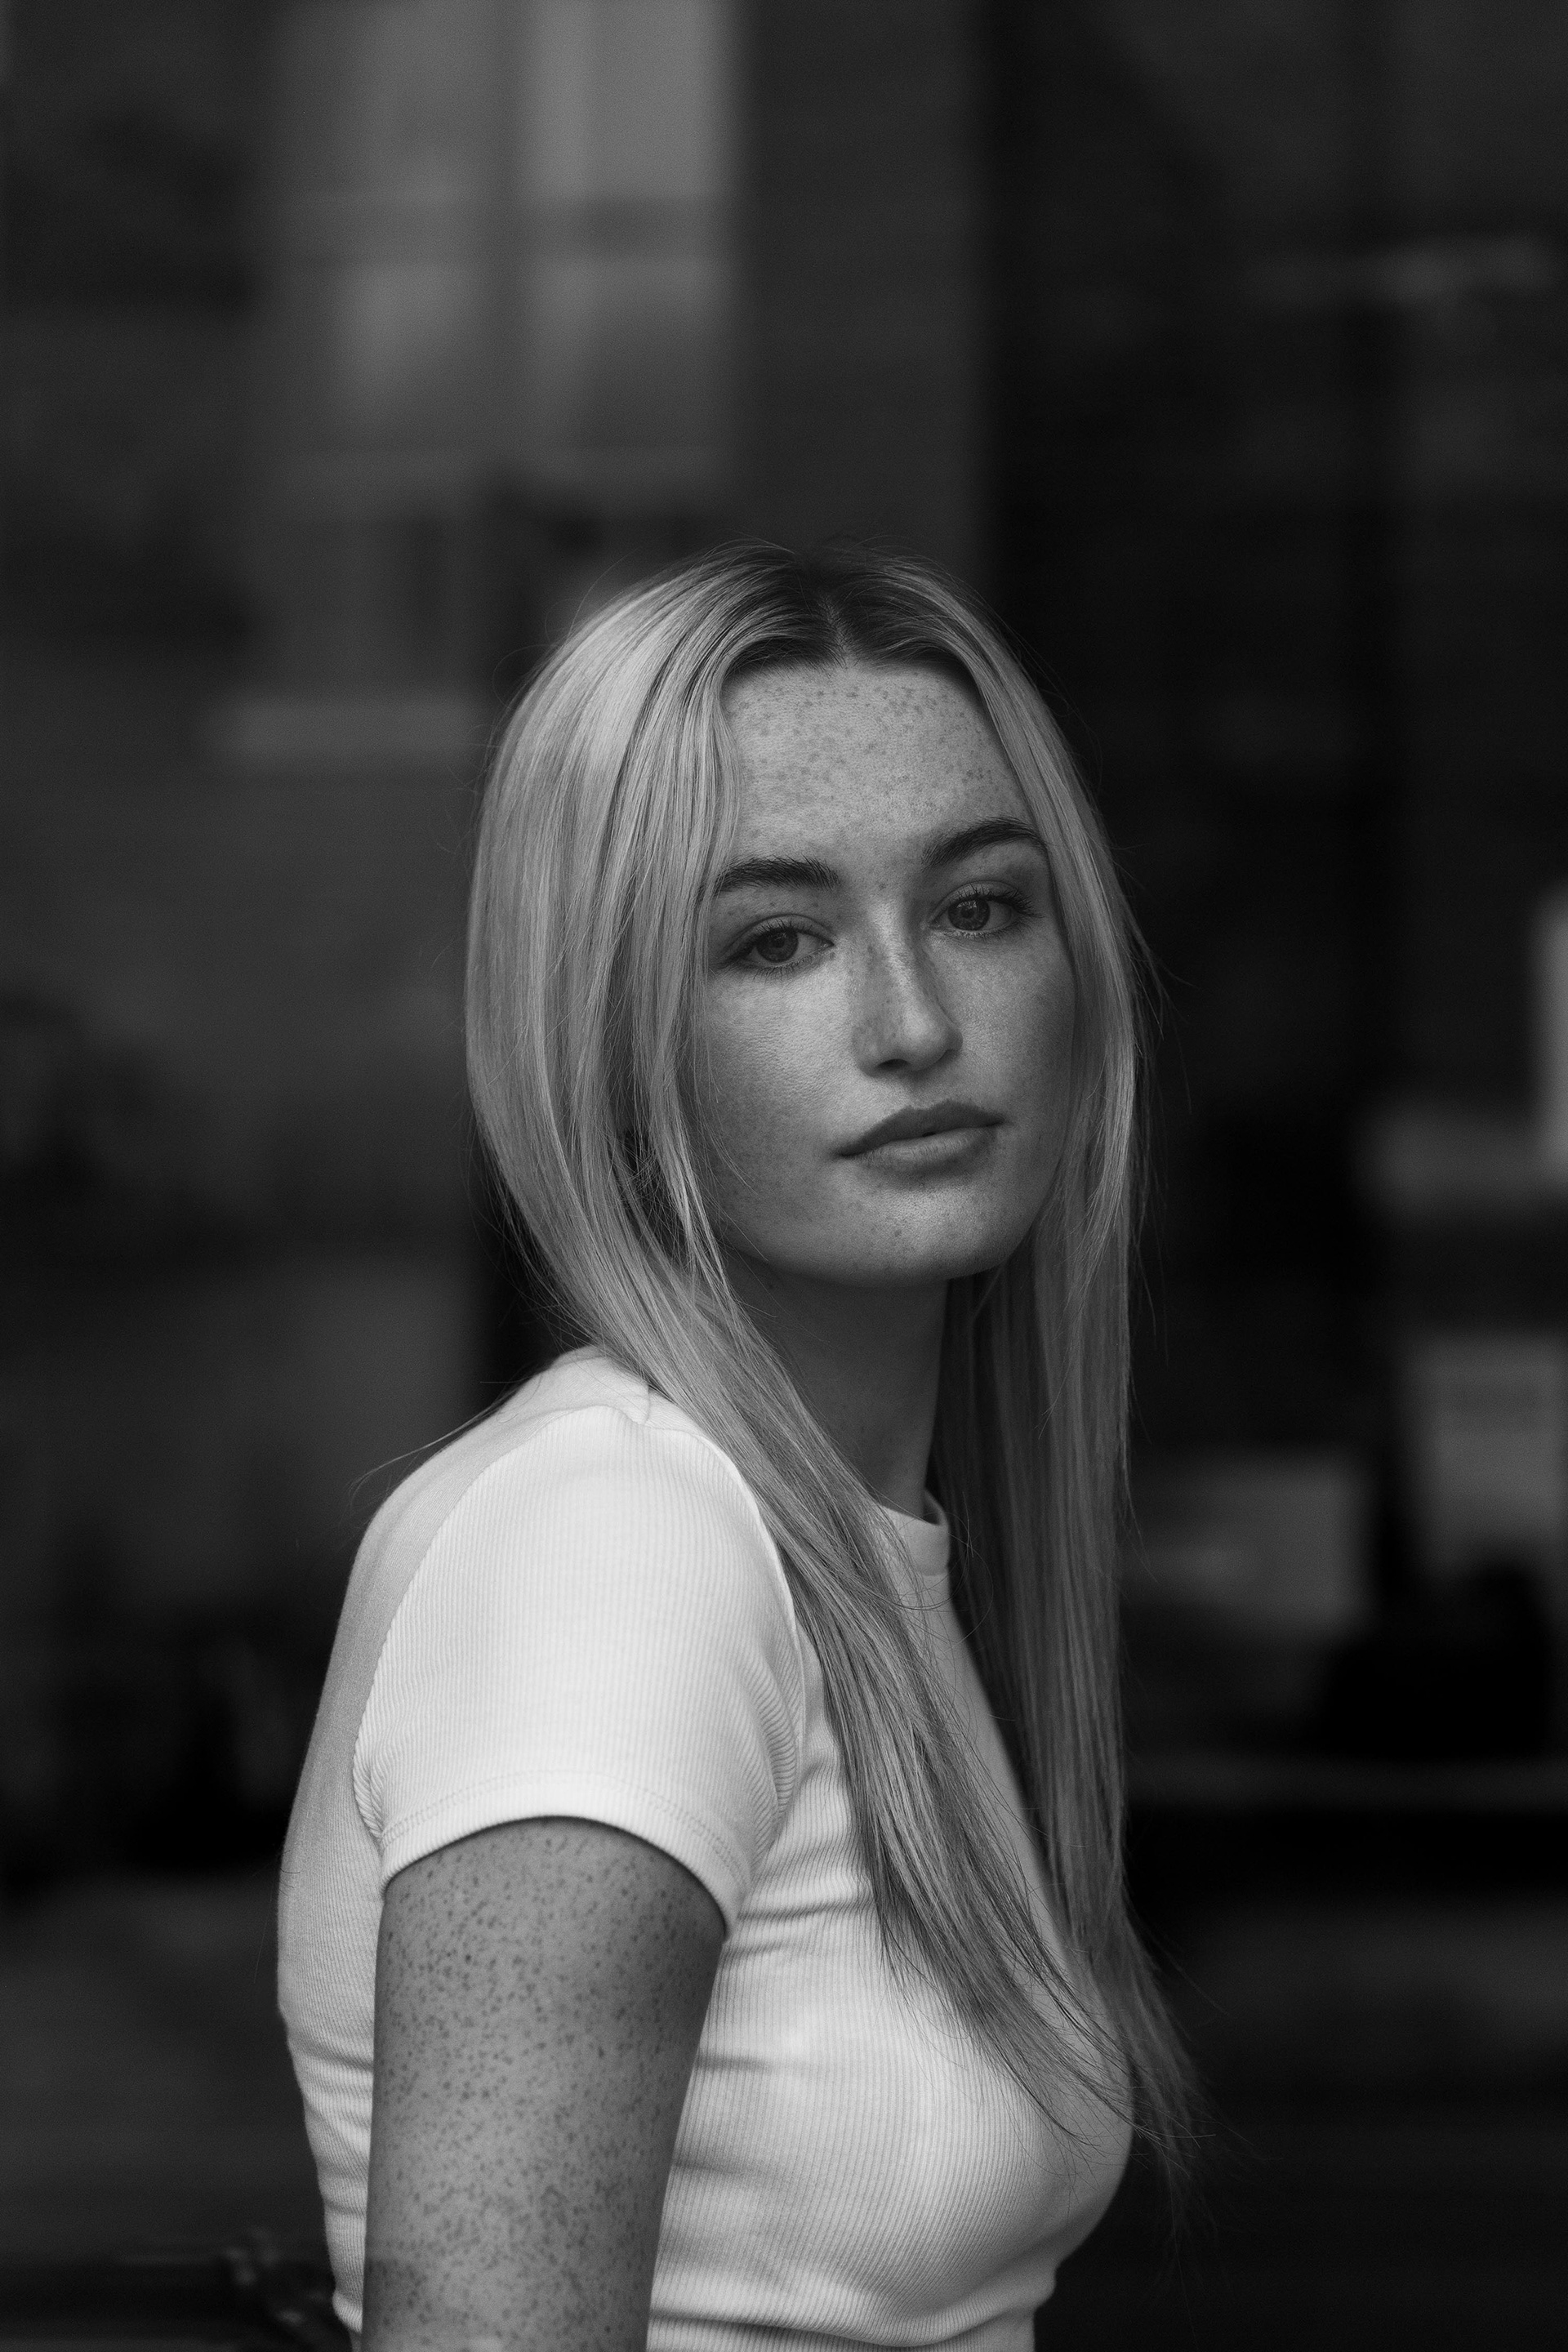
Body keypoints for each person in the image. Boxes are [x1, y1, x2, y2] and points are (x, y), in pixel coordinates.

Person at [278, 545, 1191, 2352]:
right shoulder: (616, 1544)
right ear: (614, 1037)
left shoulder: (847, 1544)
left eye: (980, 908)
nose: (913, 1025)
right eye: (776, 941)